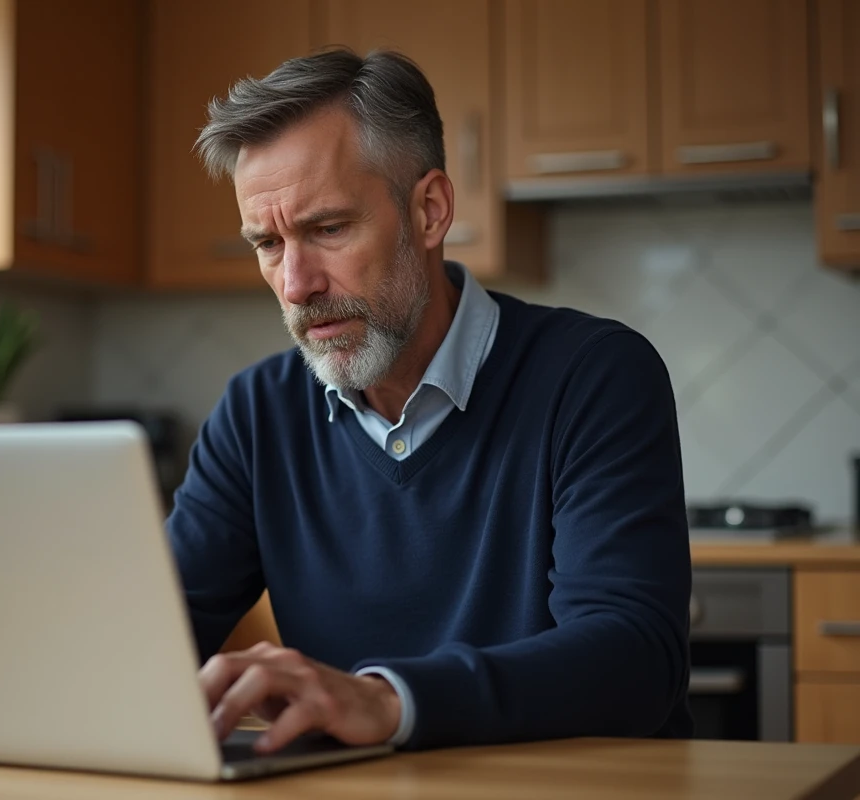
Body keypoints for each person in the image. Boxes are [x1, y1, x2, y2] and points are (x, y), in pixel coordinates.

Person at [166, 47, 693, 755]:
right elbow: (152, 638)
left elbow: (634, 659)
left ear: (430, 210)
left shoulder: (594, 376)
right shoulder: (256, 411)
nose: (295, 284)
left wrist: (390, 701)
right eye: (267, 242)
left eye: (327, 228)